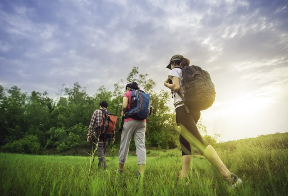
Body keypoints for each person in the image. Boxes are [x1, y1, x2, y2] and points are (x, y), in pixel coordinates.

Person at [164, 54, 242, 187]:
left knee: (199, 141)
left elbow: (176, 87)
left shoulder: (175, 70)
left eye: (170, 65)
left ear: (173, 63)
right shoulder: (185, 72)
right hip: (193, 110)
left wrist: (166, 83)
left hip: (183, 109)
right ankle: (183, 178)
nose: (170, 68)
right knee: (184, 144)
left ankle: (229, 176)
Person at [118, 82, 147, 176]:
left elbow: (124, 106)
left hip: (129, 120)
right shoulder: (142, 94)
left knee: (125, 144)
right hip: (142, 121)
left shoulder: (128, 93)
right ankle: (141, 171)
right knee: (141, 145)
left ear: (128, 88)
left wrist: (123, 112)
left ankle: (120, 169)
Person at [87, 101, 115, 169]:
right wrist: (113, 137)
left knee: (99, 149)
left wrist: (89, 135)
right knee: (103, 149)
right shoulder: (110, 114)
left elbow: (91, 124)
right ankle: (100, 167)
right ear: (107, 107)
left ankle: (104, 166)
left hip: (99, 133)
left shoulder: (97, 111)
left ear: (100, 106)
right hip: (108, 134)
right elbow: (113, 126)